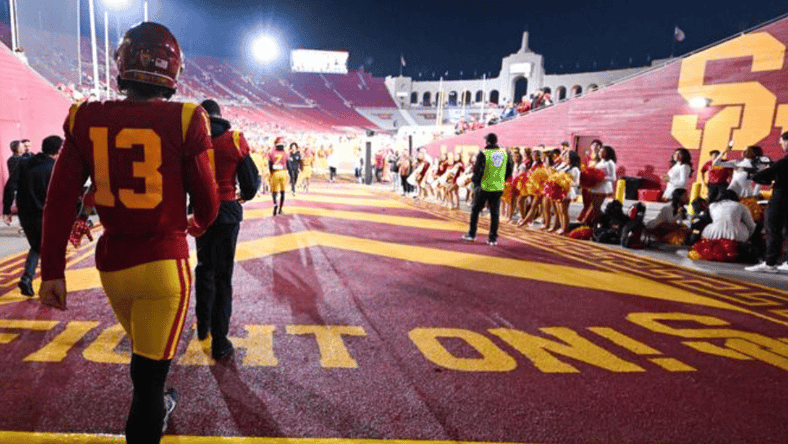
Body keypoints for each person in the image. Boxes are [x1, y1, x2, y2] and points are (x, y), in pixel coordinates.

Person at [37, 22, 220, 444]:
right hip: (163, 267)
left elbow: (60, 201)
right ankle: (151, 413)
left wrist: (51, 271)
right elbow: (208, 201)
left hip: (114, 267)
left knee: (146, 368)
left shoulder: (85, 116)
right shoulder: (188, 117)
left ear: (122, 64)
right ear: (172, 70)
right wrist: (198, 225)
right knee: (149, 379)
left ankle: (157, 401)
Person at [194, 99, 260, 360]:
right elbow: (251, 183)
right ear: (220, 115)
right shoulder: (234, 140)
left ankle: (203, 327)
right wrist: (241, 196)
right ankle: (220, 341)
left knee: (203, 268)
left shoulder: (193, 139)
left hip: (201, 212)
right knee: (224, 277)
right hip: (226, 213)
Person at [2, 135, 63, 296]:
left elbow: (10, 186)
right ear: (58, 150)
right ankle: (38, 282)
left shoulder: (23, 163)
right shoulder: (55, 168)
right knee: (45, 249)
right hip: (45, 215)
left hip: (25, 214)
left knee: (37, 246)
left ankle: (28, 279)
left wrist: (7, 209)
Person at [745, 131, 788, 273]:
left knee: (772, 229)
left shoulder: (782, 163)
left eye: (782, 141)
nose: (780, 144)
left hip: (780, 197)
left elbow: (760, 176)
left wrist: (762, 172)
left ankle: (770, 263)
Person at [463, 133, 513, 245]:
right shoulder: (504, 153)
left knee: (475, 210)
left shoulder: (483, 153)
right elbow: (509, 170)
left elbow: (477, 170)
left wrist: (476, 183)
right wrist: (501, 179)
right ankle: (492, 238)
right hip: (498, 187)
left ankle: (472, 234)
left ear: (487, 142)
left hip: (484, 186)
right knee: (495, 213)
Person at [269, 137, 290, 215]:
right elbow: (288, 165)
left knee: (274, 192)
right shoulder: (285, 153)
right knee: (282, 192)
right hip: (283, 173)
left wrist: (271, 173)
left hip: (275, 173)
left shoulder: (271, 153)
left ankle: (275, 204)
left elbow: (270, 164)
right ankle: (280, 209)